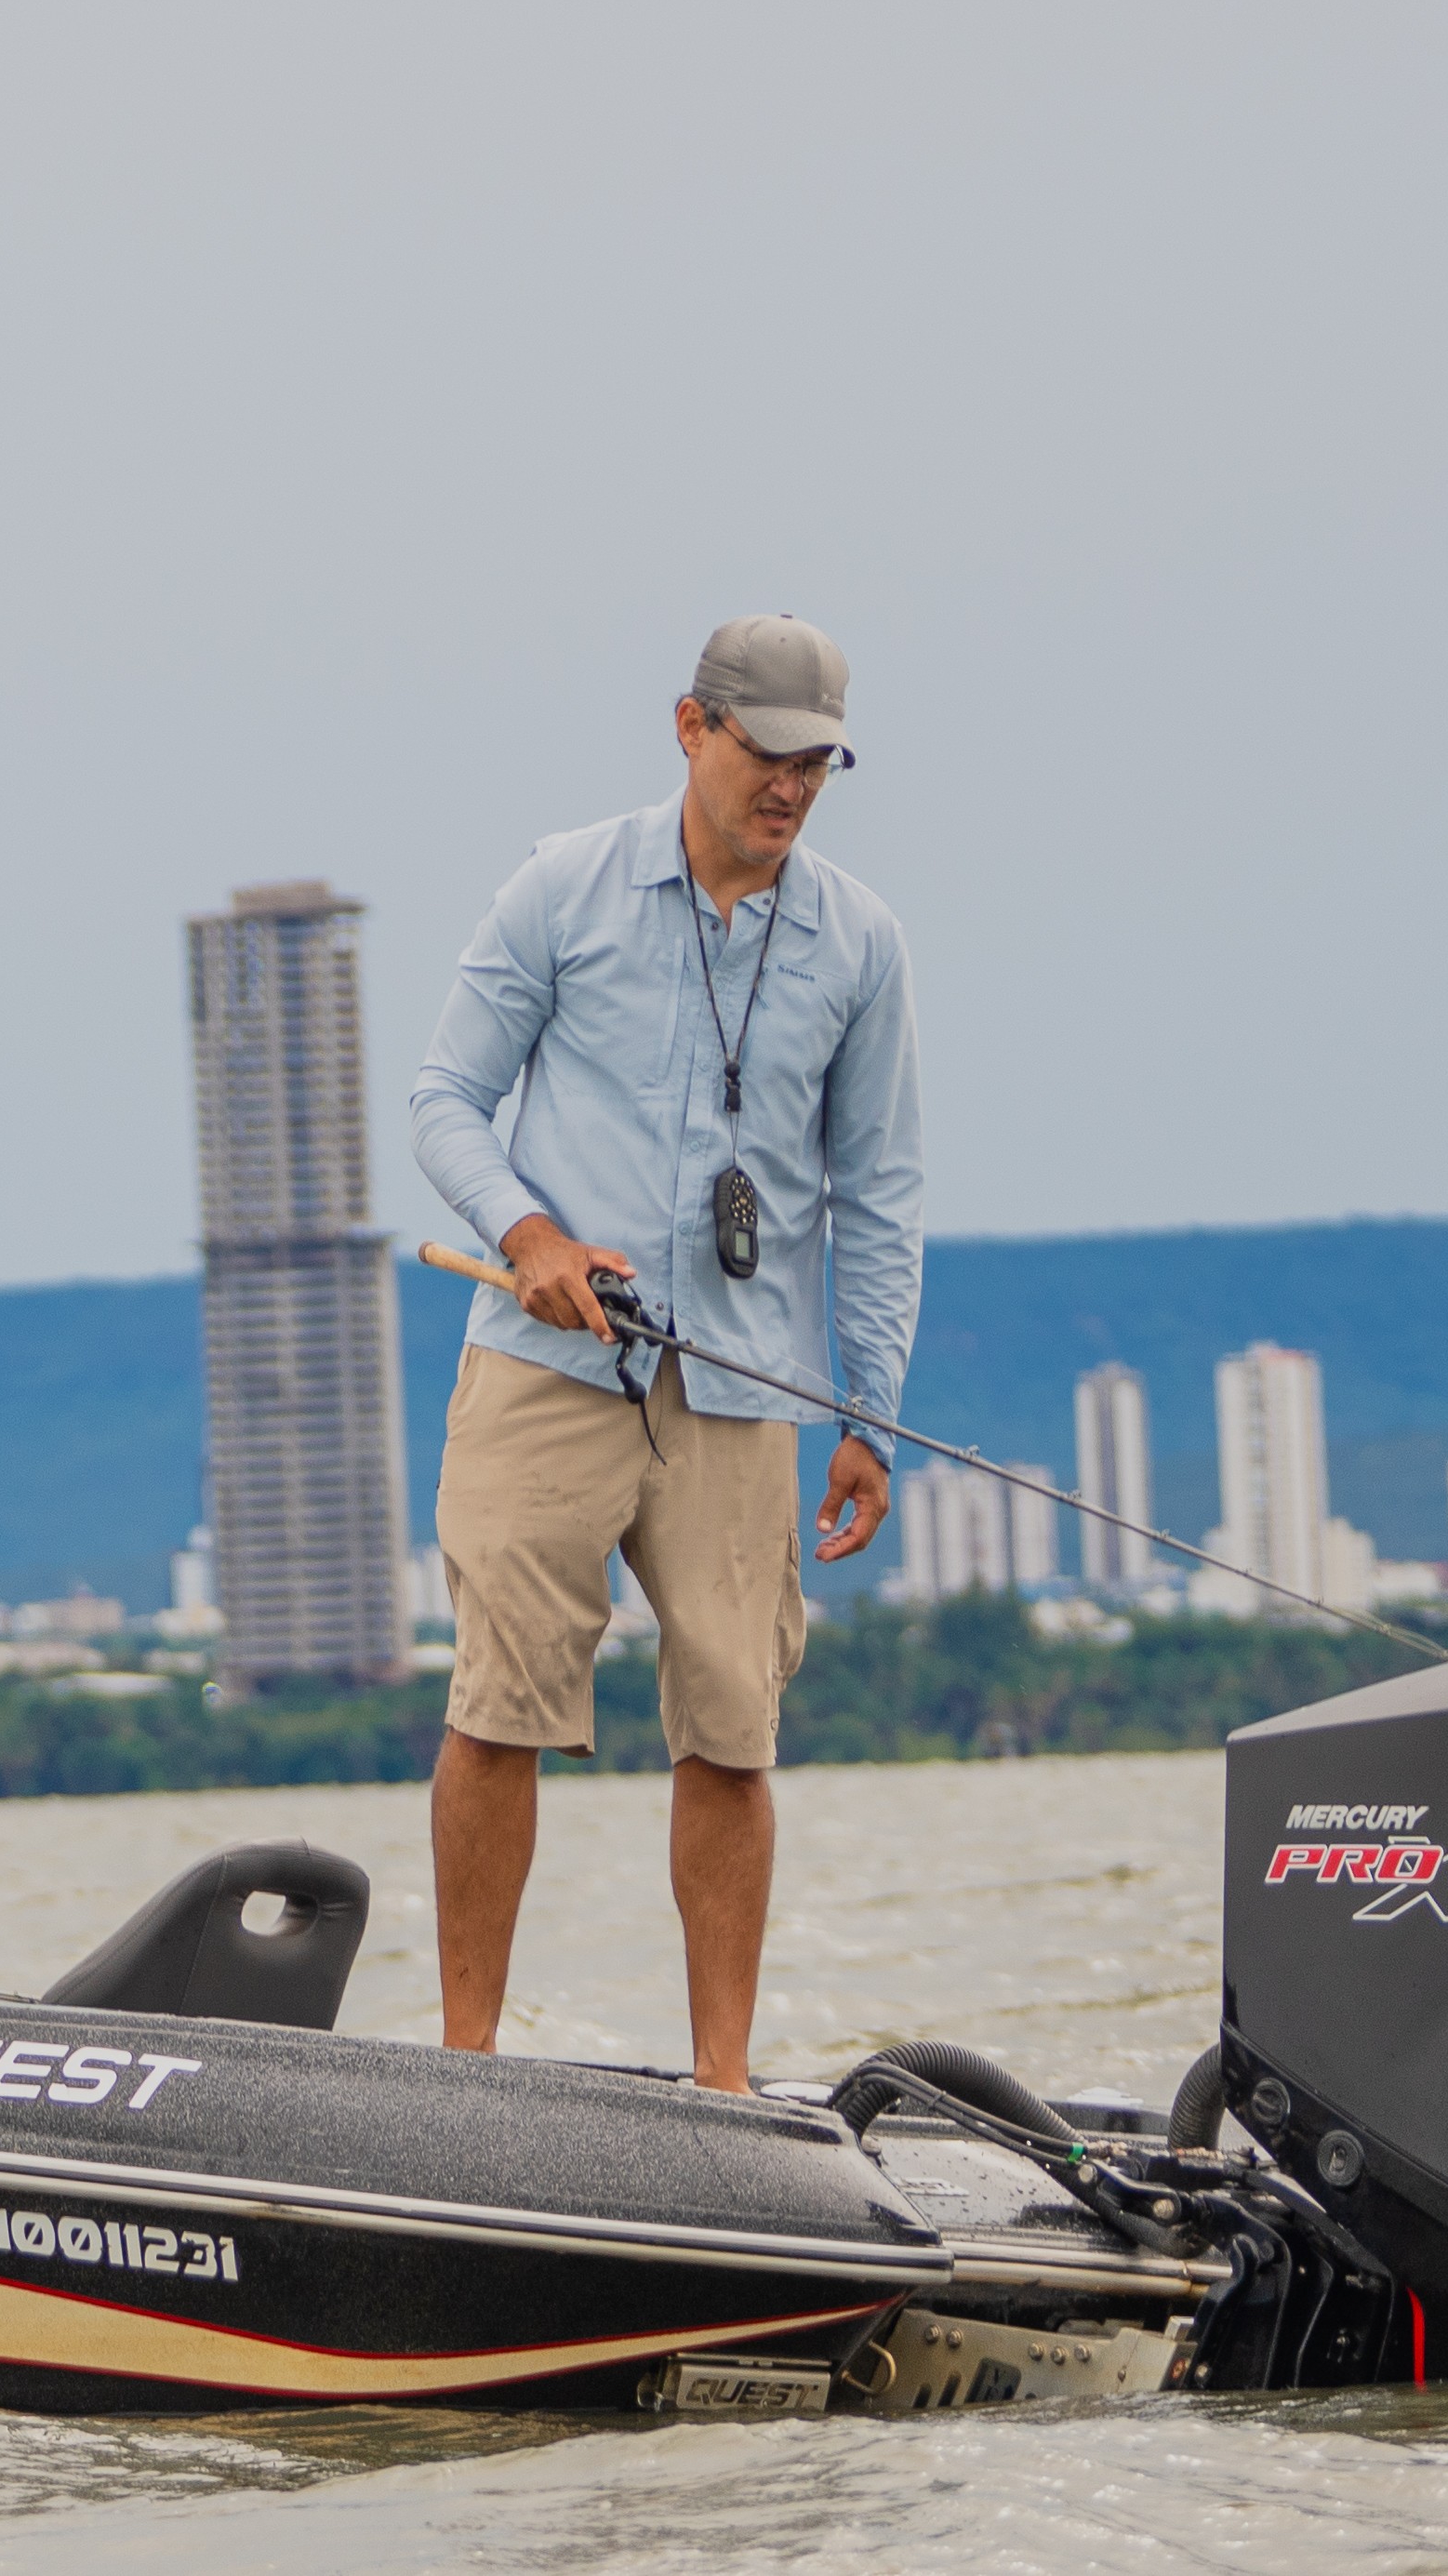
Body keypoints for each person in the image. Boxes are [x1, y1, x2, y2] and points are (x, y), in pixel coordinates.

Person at [402, 614, 922, 2089]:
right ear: (692, 728)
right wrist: (532, 1235)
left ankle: (724, 2082)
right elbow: (444, 1099)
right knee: (498, 1706)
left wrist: (871, 1415)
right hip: (547, 1363)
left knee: (734, 1727)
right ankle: (467, 2066)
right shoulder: (561, 886)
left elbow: (881, 1190)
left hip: (746, 1386)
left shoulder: (861, 942)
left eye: (819, 764)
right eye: (770, 754)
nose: (792, 787)